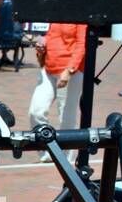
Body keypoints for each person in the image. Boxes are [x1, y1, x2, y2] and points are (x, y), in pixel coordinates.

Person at [29, 22, 86, 159]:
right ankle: (47, 150)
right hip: (48, 69)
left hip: (70, 72)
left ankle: (66, 157)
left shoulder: (80, 17)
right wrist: (41, 46)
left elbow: (81, 45)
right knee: (36, 111)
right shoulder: (53, 14)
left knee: (66, 117)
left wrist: (69, 70)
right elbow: (49, 37)